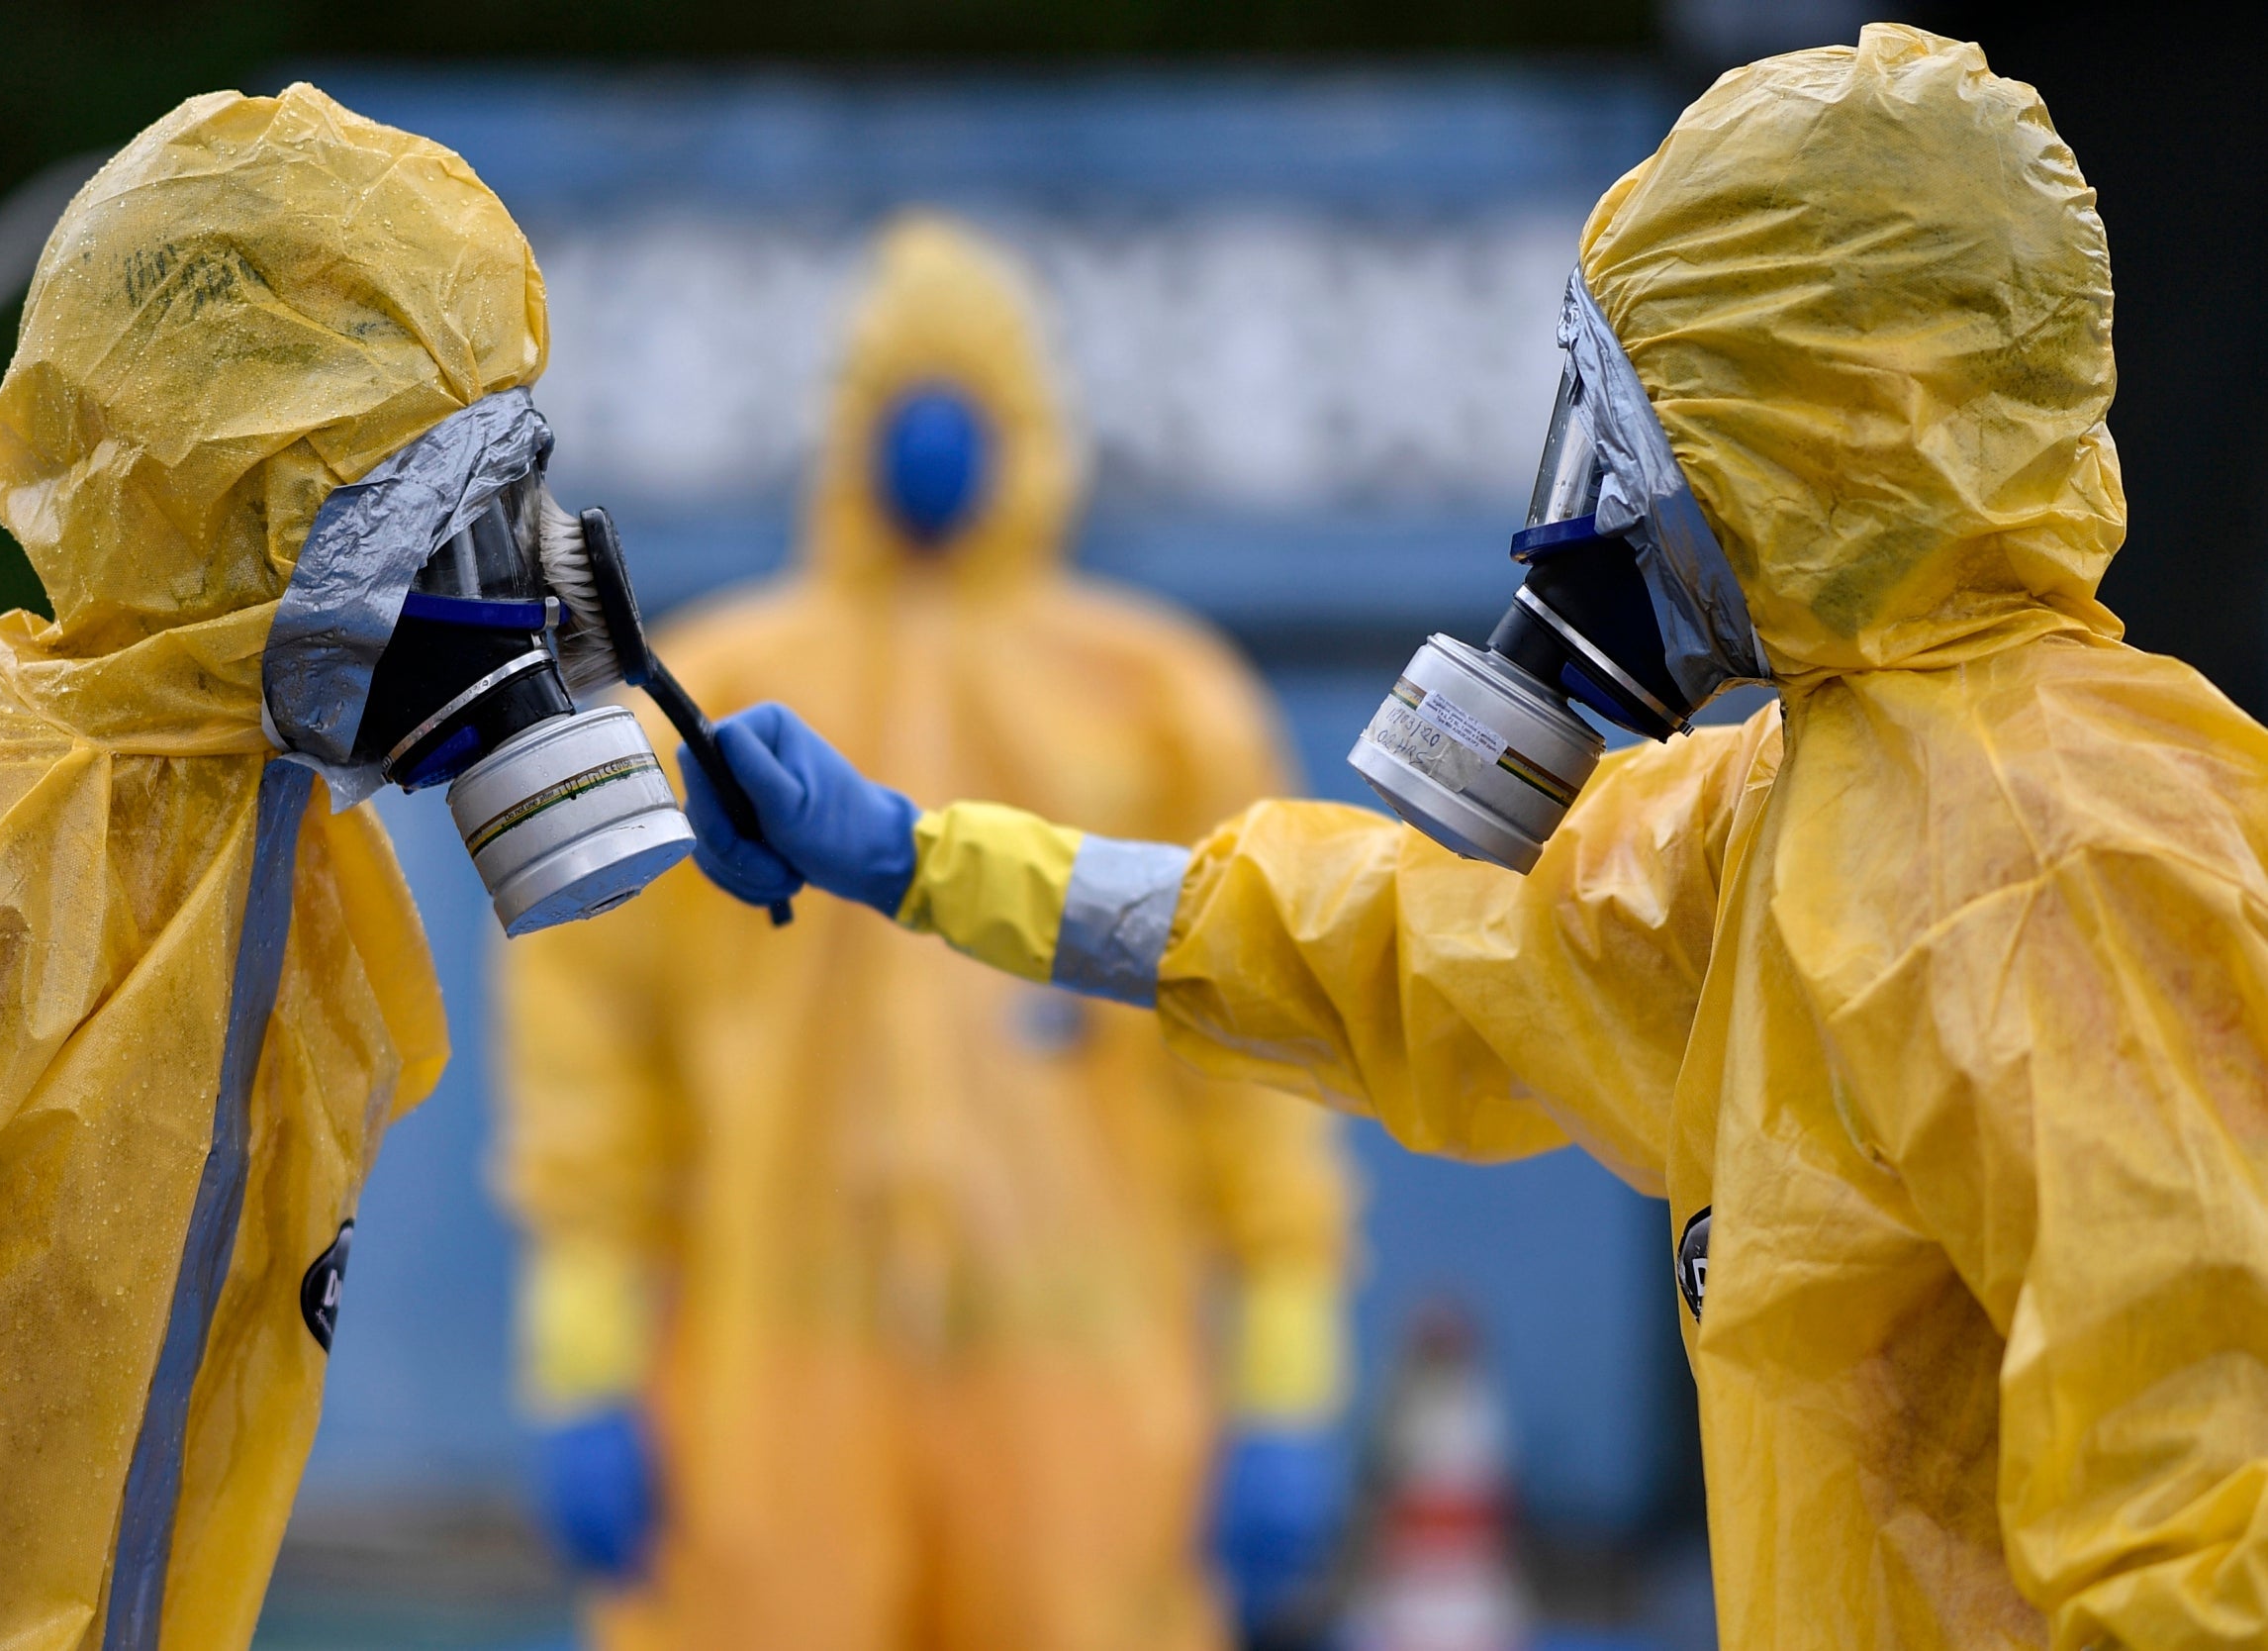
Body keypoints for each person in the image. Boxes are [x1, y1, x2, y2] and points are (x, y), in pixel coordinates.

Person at [678, 28, 2268, 1651]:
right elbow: (1410, 948)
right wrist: (918, 858)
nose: (1579, 518)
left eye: (1630, 433)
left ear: (1818, 438)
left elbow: (2205, 1525)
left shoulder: (2060, 856)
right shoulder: (1808, 806)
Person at [0, 85, 677, 1649]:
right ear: (246, 515)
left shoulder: (296, 876)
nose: (518, 576)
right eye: (446, 514)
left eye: (511, 497)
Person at [494, 215, 1358, 1651]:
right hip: (775, 1389)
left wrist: (1287, 1367)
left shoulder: (1160, 703)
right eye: (903, 391)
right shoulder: (714, 691)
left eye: (970, 393)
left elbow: (1259, 1029)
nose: (934, 434)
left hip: (1082, 1391)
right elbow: (594, 1049)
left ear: (1029, 424)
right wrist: (583, 1354)